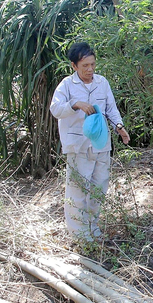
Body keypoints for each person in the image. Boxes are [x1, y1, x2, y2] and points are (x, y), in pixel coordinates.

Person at [50, 42, 130, 242]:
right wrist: (75, 104)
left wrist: (119, 127)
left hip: (101, 143)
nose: (90, 69)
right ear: (74, 66)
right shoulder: (67, 85)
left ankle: (93, 227)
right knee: (78, 188)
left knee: (98, 187)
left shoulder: (102, 83)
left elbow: (111, 109)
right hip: (78, 145)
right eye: (85, 66)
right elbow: (55, 109)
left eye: (92, 64)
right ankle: (79, 235)